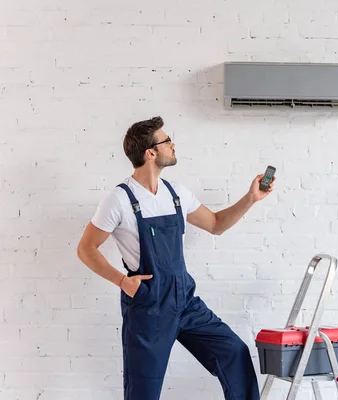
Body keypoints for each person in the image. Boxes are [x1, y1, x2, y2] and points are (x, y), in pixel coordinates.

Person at [76, 116, 274, 400]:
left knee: (234, 353)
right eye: (167, 140)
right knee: (143, 390)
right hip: (149, 307)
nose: (173, 144)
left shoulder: (175, 193)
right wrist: (122, 281)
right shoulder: (119, 200)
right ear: (150, 152)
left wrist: (251, 198)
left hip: (185, 301)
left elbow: (216, 224)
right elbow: (86, 249)